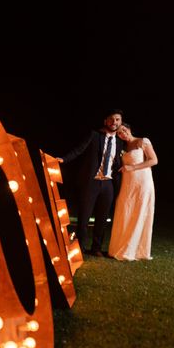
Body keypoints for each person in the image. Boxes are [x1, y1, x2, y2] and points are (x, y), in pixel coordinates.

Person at [57, 110, 126, 257]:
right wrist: (64, 159)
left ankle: (96, 248)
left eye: (118, 119)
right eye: (112, 119)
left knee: (102, 217)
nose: (115, 122)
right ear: (106, 121)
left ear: (120, 122)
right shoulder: (94, 135)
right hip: (91, 182)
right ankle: (80, 247)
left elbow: (119, 162)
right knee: (84, 216)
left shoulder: (120, 142)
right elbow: (79, 150)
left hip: (108, 184)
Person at [107, 123, 158, 260]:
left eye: (123, 130)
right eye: (119, 133)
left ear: (129, 128)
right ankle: (119, 246)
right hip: (128, 183)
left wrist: (133, 167)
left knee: (139, 213)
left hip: (143, 182)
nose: (122, 133)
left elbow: (154, 160)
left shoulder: (142, 141)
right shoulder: (123, 147)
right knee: (125, 212)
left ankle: (135, 250)